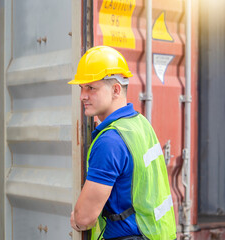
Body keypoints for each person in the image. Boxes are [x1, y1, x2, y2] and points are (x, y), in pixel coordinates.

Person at [68, 46, 176, 240]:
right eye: (81, 88)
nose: (82, 96)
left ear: (116, 89)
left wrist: (76, 220)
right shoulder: (139, 123)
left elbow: (84, 218)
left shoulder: (110, 142)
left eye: (91, 88)